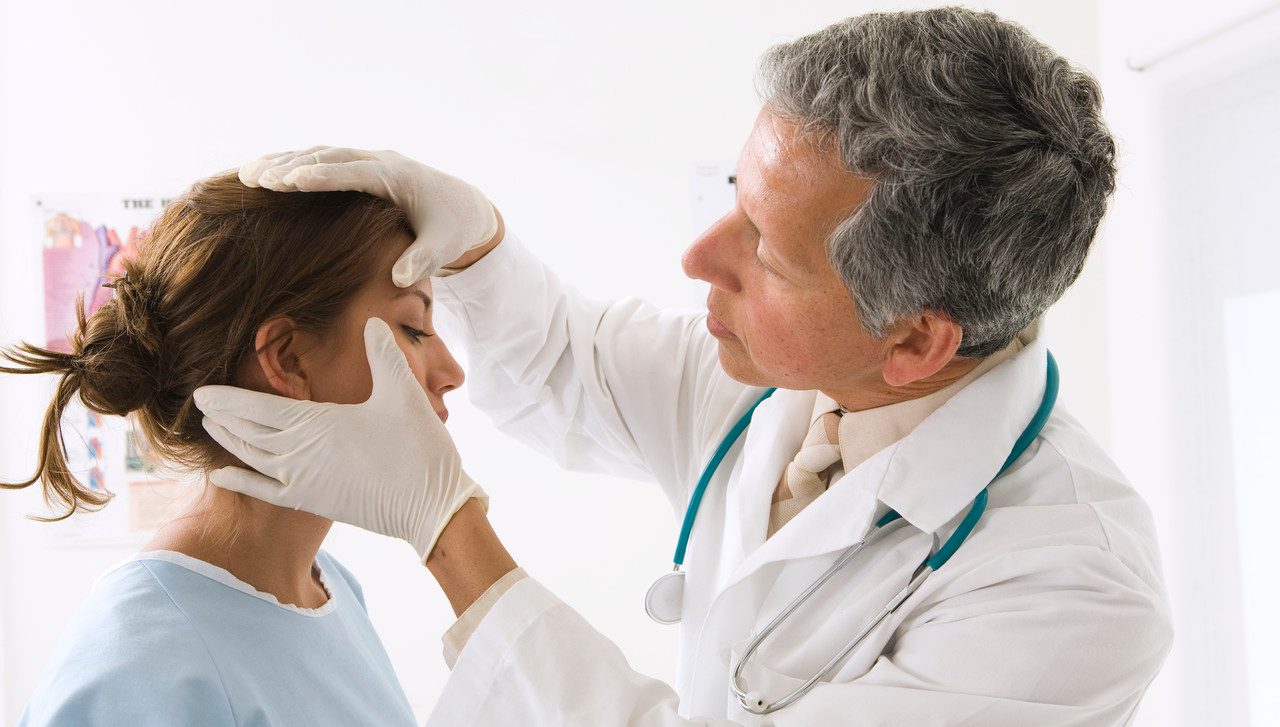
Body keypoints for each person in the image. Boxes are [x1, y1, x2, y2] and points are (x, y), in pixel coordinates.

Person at [196, 7, 1173, 726]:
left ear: (913, 341)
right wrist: (476, 244)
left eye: (766, 248)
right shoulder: (783, 385)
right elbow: (560, 365)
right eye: (732, 193)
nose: (699, 256)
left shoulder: (1066, 588)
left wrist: (447, 530)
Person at [1, 171, 482, 725]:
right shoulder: (139, 670)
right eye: (414, 327)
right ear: (286, 359)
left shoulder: (330, 589)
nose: (451, 372)